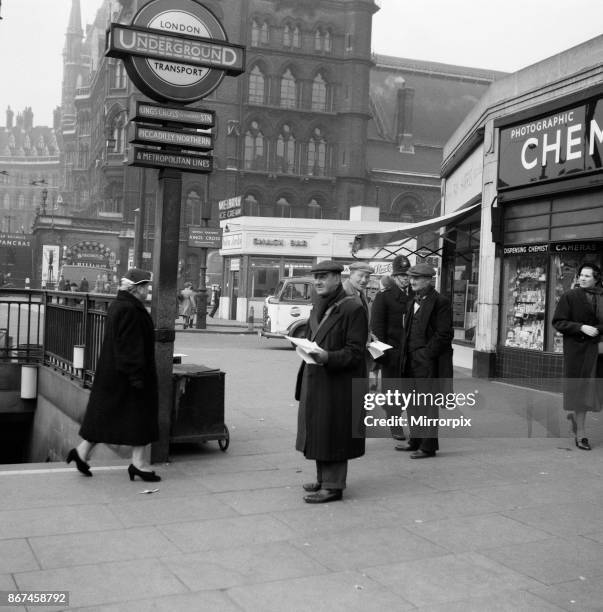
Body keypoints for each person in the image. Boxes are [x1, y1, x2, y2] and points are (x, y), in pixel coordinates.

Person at [66, 267, 161, 481]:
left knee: (105, 416)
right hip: (128, 375)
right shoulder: (130, 310)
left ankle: (82, 452)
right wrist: (137, 376)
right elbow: (129, 346)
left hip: (115, 374)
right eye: (146, 286)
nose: (148, 290)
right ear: (136, 288)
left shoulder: (121, 305)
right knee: (142, 416)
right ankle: (138, 463)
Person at [295, 260, 368, 503]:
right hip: (316, 378)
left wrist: (327, 357)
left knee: (333, 432)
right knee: (318, 430)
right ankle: (322, 478)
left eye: (324, 276)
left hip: (338, 382)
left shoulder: (353, 308)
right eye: (316, 276)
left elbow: (356, 352)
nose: (318, 281)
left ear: (338, 278)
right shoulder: (318, 304)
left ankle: (333, 486)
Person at [398, 263, 453, 458]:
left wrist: (426, 354)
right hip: (409, 360)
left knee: (427, 405)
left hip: (427, 362)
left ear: (429, 280)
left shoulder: (441, 302)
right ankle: (415, 440)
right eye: (411, 277)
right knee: (412, 402)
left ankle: (428, 446)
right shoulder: (412, 300)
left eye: (417, 278)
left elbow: (444, 334)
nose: (412, 281)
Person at [552, 263, 603, 450]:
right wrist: (580, 327)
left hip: (599, 352)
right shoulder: (570, 296)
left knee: (596, 392)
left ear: (596, 278)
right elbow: (558, 322)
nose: (582, 278)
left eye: (587, 276)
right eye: (581, 275)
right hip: (579, 353)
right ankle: (580, 433)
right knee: (582, 393)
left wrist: (597, 330)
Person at [370, 254, 414, 442]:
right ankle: (395, 425)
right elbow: (377, 329)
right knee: (393, 393)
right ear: (394, 276)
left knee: (410, 393)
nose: (405, 278)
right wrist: (381, 358)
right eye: (401, 275)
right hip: (392, 354)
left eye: (407, 275)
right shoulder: (384, 297)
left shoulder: (415, 295)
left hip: (411, 354)